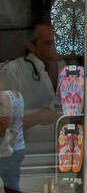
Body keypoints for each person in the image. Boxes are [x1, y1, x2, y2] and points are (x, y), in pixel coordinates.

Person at [0, 23, 62, 182]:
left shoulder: (65, 68)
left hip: (62, 158)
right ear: (32, 46)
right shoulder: (15, 71)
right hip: (26, 163)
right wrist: (36, 118)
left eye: (58, 41)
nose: (56, 47)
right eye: (49, 43)